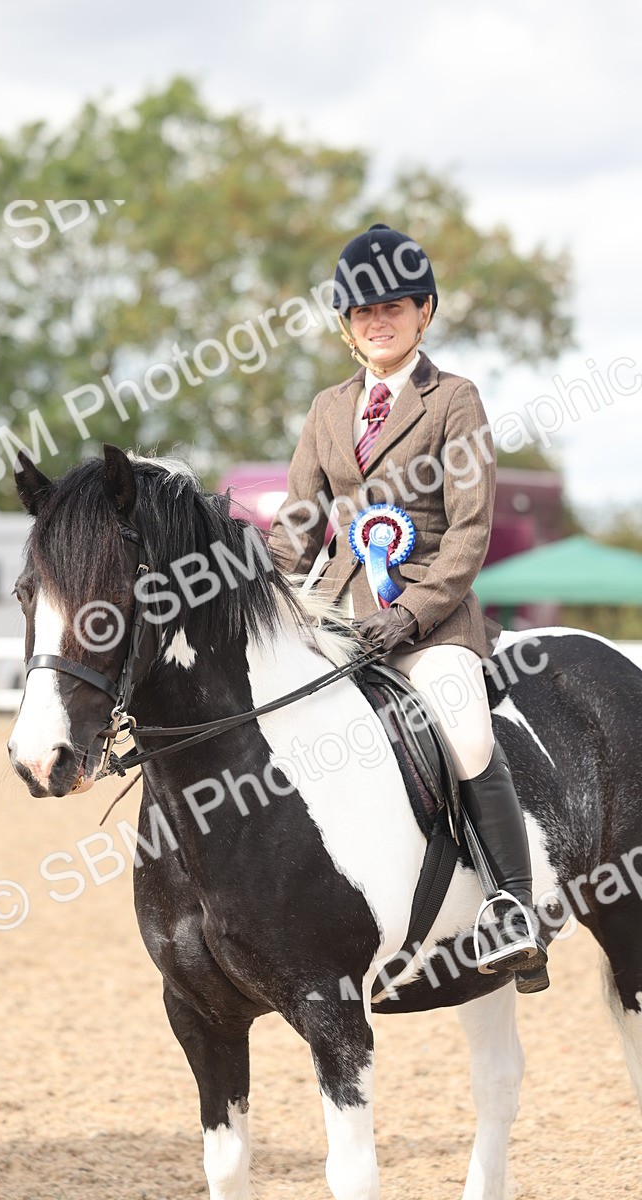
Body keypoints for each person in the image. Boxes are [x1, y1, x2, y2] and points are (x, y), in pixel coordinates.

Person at [268, 223, 548, 993]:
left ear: (424, 312)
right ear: (346, 326)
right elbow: (297, 525)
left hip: (431, 617)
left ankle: (511, 909)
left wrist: (413, 613)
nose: (377, 321)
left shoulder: (454, 399)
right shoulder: (328, 410)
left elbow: (470, 531)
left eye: (393, 306)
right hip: (336, 615)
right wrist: (256, 592)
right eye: (362, 312)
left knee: (461, 726)